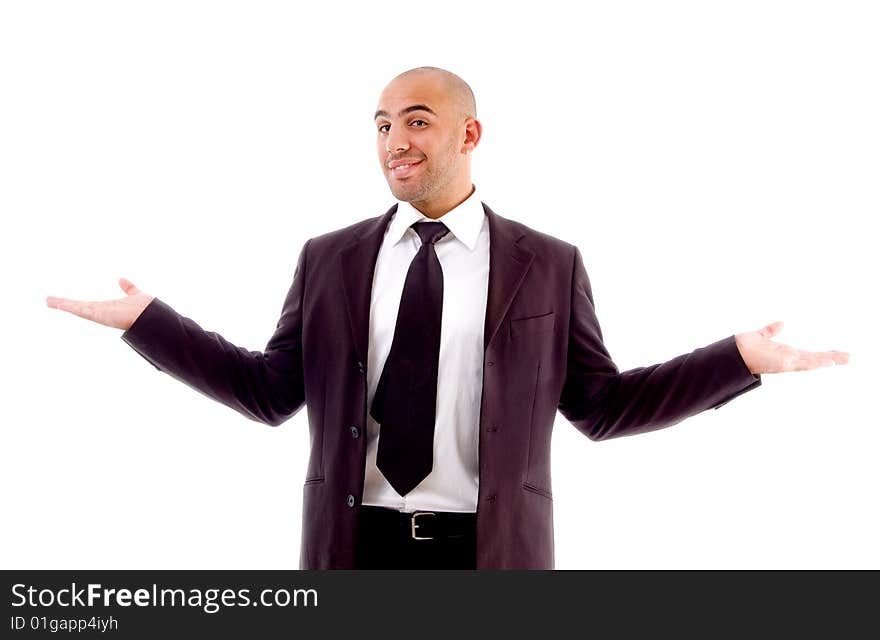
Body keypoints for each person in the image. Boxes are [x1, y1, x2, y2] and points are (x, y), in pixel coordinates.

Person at [46, 66, 850, 570]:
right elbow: (269, 391)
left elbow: (602, 409)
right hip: (351, 553)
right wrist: (147, 322)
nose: (395, 139)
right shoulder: (328, 257)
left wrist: (737, 360)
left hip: (491, 557)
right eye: (383, 124)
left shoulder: (549, 262)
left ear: (469, 133)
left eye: (417, 120)